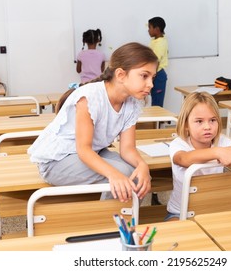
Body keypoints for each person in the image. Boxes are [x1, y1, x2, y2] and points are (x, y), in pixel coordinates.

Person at [28, 42, 157, 202]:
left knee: (135, 173)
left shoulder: (132, 103)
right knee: (123, 172)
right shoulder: (90, 97)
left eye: (153, 77)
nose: (151, 84)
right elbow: (83, 150)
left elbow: (128, 149)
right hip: (57, 161)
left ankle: (122, 223)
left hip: (92, 152)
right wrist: (113, 173)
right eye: (144, 76)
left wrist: (142, 165)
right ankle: (108, 225)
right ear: (121, 75)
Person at [165, 92, 231, 221]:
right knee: (174, 236)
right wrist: (217, 152)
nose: (207, 126)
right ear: (186, 124)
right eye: (199, 121)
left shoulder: (221, 141)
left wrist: (224, 150)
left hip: (213, 211)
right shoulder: (179, 143)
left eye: (212, 120)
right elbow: (183, 159)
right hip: (180, 213)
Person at [147, 17, 168, 107]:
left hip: (157, 76)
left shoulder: (160, 43)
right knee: (154, 101)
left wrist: (151, 78)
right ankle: (156, 121)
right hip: (154, 74)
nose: (148, 30)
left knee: (157, 104)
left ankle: (159, 121)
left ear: (157, 29)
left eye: (150, 28)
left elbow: (156, 62)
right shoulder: (154, 40)